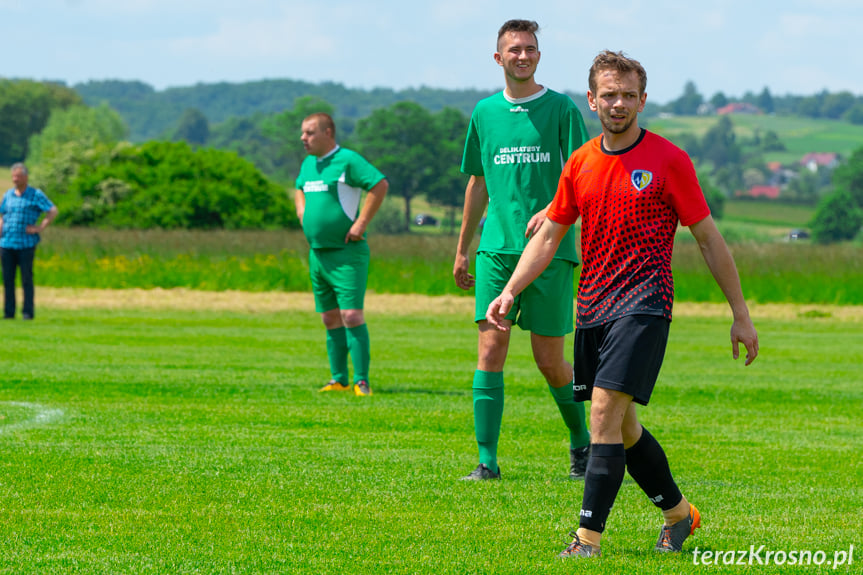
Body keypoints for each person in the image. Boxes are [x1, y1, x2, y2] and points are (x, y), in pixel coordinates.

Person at [486, 50, 759, 557]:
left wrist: (740, 314)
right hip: (592, 307)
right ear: (592, 100)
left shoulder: (669, 160)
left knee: (603, 418)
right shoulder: (581, 162)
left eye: (628, 95)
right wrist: (510, 290)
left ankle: (585, 540)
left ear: (643, 100)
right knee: (623, 426)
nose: (618, 104)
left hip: (645, 304)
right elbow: (548, 238)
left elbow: (708, 240)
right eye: (609, 94)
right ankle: (679, 515)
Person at [453, 19, 591, 481]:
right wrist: (462, 247)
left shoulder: (561, 109)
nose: (523, 56)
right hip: (496, 250)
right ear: (499, 58)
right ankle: (486, 461)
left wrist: (554, 207)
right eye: (514, 49)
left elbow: (582, 175)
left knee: (550, 362)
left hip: (550, 251)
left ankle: (581, 443)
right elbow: (477, 183)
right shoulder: (484, 113)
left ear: (538, 56)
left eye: (530, 48)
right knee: (490, 351)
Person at [294, 113, 389, 397]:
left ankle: (361, 381)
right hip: (318, 255)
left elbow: (379, 184)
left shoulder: (347, 160)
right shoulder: (309, 163)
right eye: (303, 133)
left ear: (328, 132)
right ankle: (339, 379)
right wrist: (301, 211)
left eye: (310, 132)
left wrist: (361, 223)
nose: (303, 138)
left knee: (351, 315)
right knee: (329, 318)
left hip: (347, 254)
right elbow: (299, 187)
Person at [1, 163, 58, 320]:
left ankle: (27, 312)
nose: (15, 179)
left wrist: (40, 227)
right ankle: (9, 312)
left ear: (25, 177)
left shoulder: (35, 194)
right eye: (13, 176)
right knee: (7, 279)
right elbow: (2, 214)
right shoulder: (8, 195)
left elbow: (52, 210)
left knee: (26, 278)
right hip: (6, 243)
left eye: (18, 176)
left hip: (26, 243)